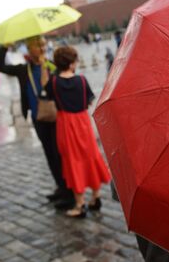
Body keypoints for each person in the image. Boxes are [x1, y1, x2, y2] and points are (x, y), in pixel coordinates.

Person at [0, 36, 75, 209]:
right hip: (38, 118)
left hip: (56, 116)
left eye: (43, 45)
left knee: (59, 154)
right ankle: (60, 188)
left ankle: (70, 193)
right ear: (29, 50)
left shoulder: (53, 67)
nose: (42, 48)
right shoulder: (25, 70)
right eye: (37, 46)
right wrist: (4, 47)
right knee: (49, 154)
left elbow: (69, 83)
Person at [45, 46, 111, 218]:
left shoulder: (53, 83)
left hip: (66, 125)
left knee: (72, 161)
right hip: (83, 123)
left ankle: (80, 204)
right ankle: (96, 198)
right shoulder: (82, 80)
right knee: (90, 157)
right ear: (73, 63)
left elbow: (45, 94)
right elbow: (89, 101)